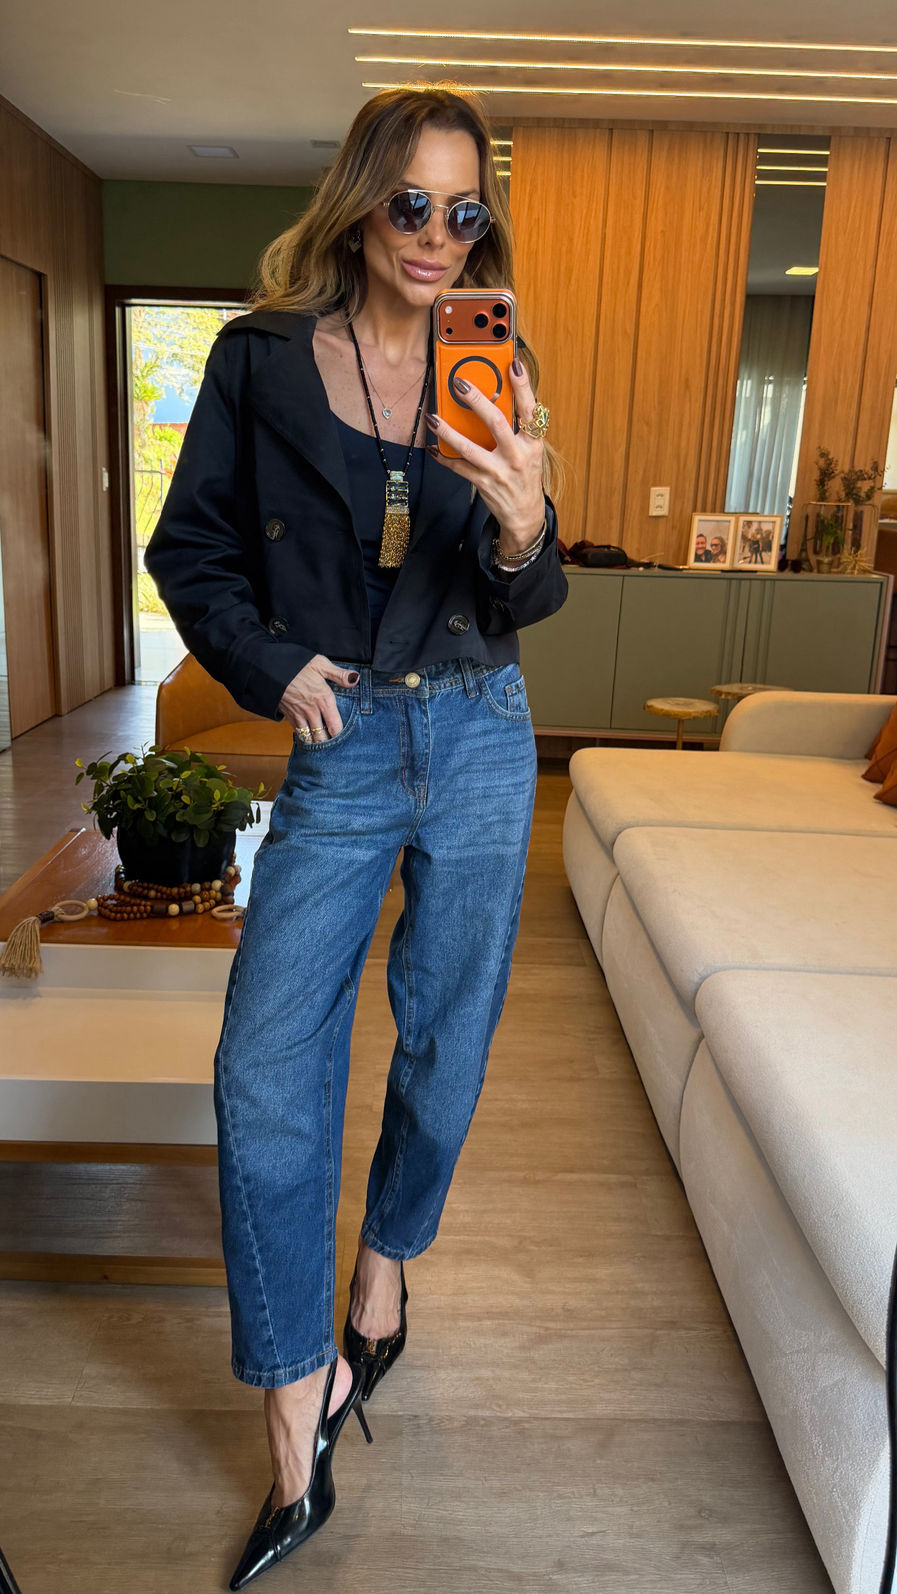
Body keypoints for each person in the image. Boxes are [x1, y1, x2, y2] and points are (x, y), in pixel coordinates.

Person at [144, 84, 567, 1591]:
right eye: (411, 203)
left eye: (465, 210)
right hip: (339, 741)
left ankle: (382, 1271)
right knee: (266, 1062)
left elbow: (528, 597)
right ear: (362, 200)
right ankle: (295, 1401)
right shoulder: (261, 360)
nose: (438, 235)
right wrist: (270, 667)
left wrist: (523, 524)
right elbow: (189, 546)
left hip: (480, 729)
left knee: (446, 1038)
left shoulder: (496, 360)